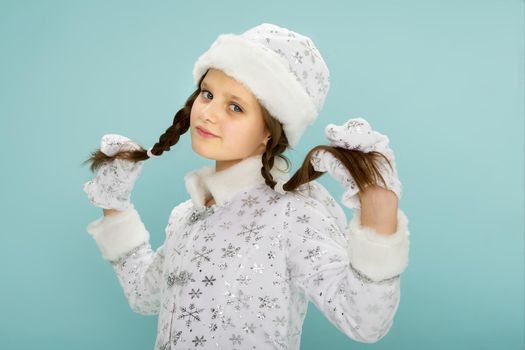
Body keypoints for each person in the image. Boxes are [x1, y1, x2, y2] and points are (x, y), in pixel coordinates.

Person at [82, 23, 410, 350]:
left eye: (235, 106)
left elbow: (364, 322)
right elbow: (144, 295)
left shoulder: (292, 214)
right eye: (207, 94)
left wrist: (379, 213)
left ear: (270, 130)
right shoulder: (186, 216)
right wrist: (114, 203)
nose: (208, 113)